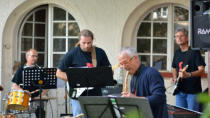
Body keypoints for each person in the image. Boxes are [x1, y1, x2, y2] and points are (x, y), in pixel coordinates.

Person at [56, 29, 111, 117]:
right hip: (77, 95)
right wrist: (74, 78)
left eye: (89, 43)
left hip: (95, 93)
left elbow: (108, 70)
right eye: (83, 43)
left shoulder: (100, 53)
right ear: (79, 41)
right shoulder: (72, 54)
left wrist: (107, 73)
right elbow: (58, 73)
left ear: (92, 41)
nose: (86, 45)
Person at [119, 47, 168, 118]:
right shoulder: (134, 77)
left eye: (125, 62)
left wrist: (135, 99)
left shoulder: (152, 73)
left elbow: (159, 98)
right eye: (121, 64)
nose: (124, 67)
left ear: (135, 58)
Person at [171, 28, 206, 112]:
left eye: (181, 36)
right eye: (177, 36)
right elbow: (174, 68)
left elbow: (202, 70)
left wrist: (189, 74)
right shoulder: (177, 53)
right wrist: (175, 78)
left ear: (187, 38)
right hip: (180, 91)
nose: (179, 38)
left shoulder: (194, 52)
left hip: (193, 92)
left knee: (192, 115)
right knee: (179, 115)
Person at [11, 48, 48, 118]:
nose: (35, 58)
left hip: (37, 98)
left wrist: (41, 94)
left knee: (41, 112)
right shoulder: (21, 70)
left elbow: (47, 86)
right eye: (33, 56)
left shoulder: (40, 70)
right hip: (24, 97)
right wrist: (23, 91)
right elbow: (14, 85)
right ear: (27, 57)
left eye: (36, 56)